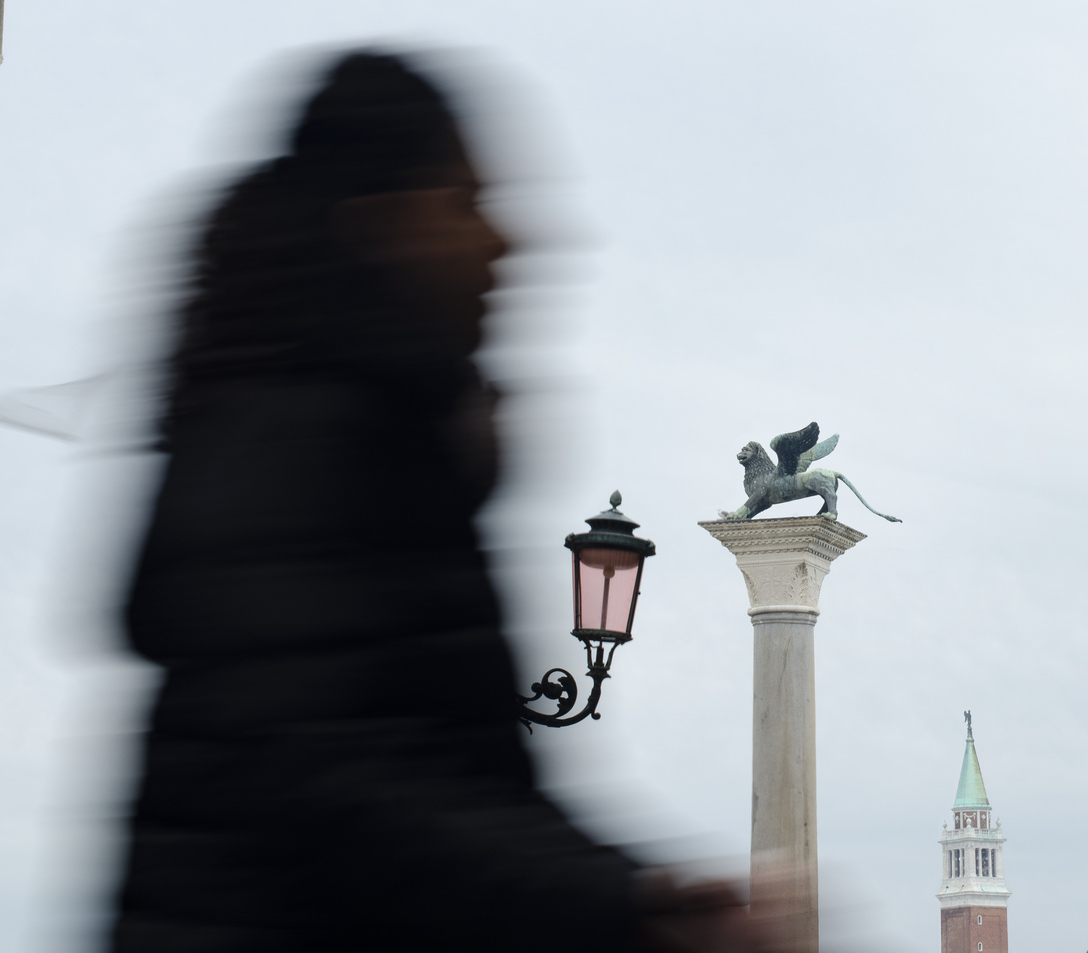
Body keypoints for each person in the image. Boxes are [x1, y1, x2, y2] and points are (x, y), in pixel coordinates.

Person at [112, 51, 767, 952]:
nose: (505, 240)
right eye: (464, 203)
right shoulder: (302, 447)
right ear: (379, 224)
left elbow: (451, 788)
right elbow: (333, 790)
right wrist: (636, 908)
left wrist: (639, 899)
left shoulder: (381, 451)